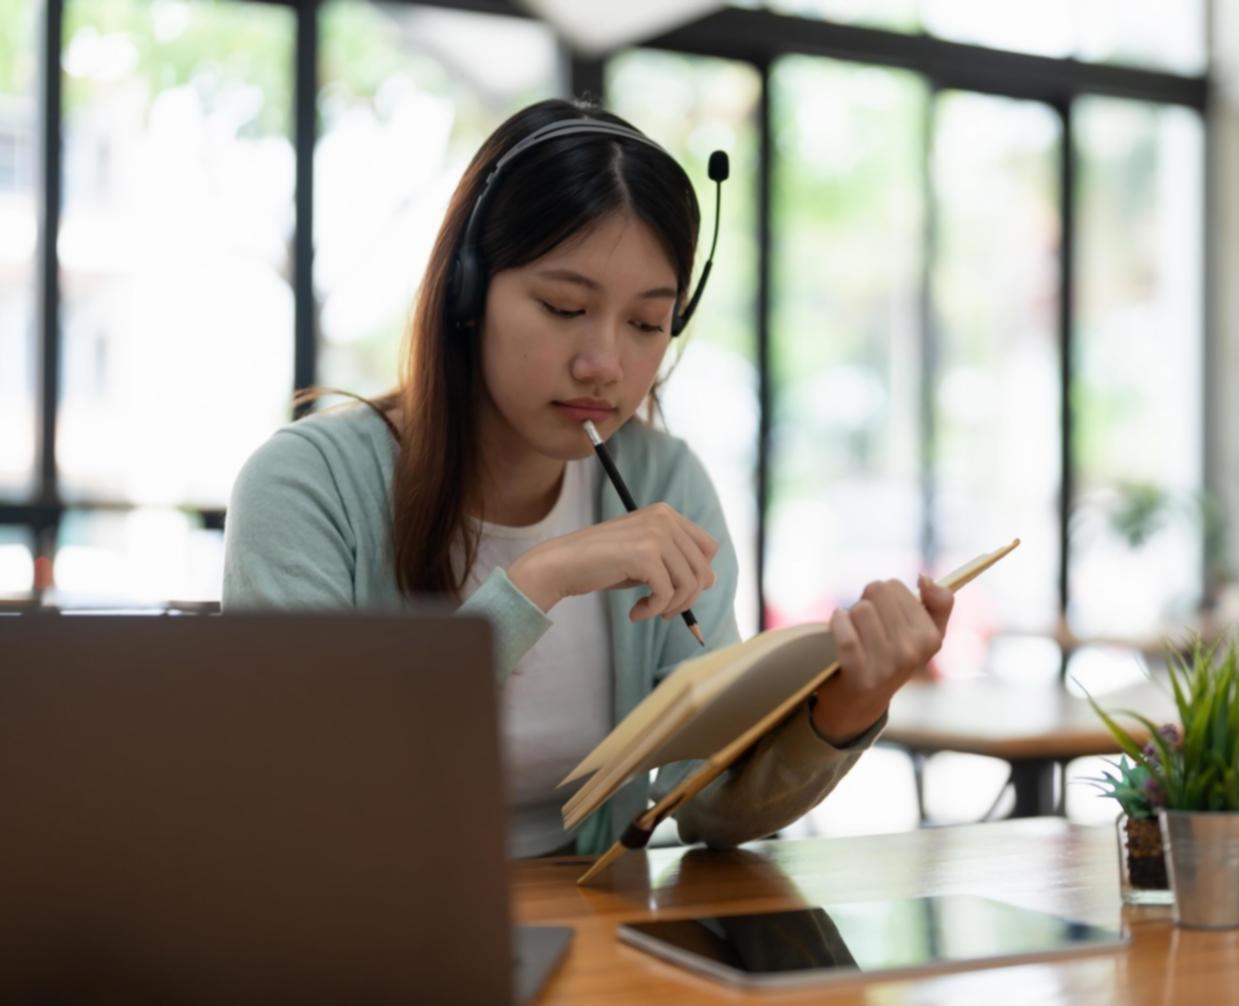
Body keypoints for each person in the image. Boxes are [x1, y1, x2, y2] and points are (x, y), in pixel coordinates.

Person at [222, 98, 954, 858]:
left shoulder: (663, 478)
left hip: (596, 932)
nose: (604, 362)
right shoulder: (307, 484)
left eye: (646, 324)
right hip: (378, 937)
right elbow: (310, 787)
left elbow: (705, 808)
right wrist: (540, 580)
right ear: (467, 293)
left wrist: (847, 704)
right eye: (564, 306)